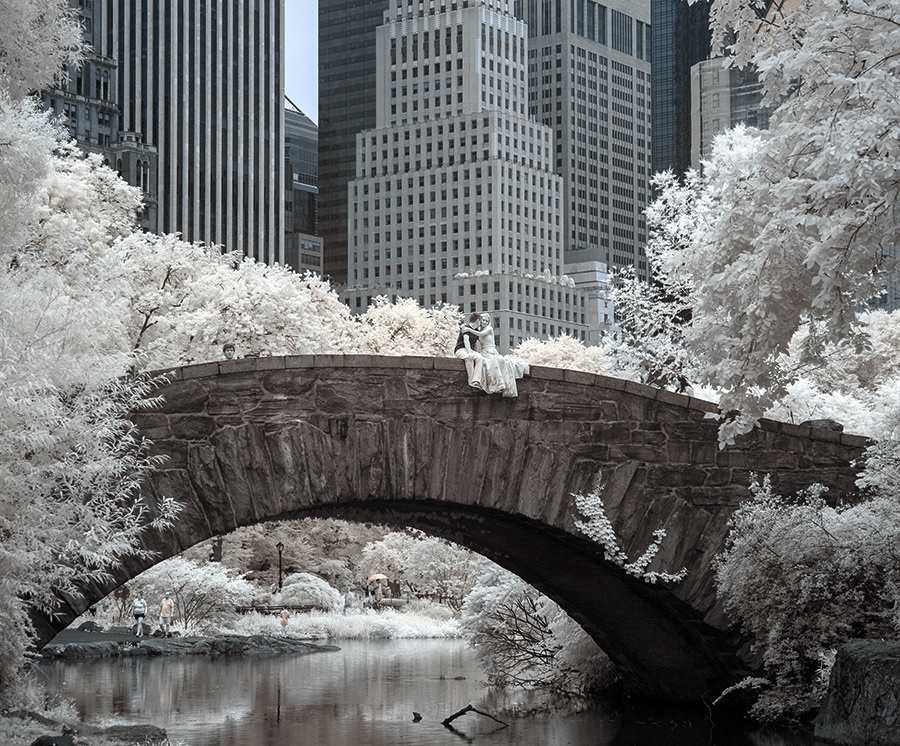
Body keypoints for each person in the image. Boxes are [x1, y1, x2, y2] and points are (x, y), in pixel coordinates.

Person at [460, 313, 529, 397]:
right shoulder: (478, 330)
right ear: (479, 321)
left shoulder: (489, 329)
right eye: (483, 320)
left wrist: (467, 329)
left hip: (491, 350)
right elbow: (472, 339)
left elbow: (480, 335)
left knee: (495, 361)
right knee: (483, 362)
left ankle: (498, 385)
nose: (484, 322)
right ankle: (481, 383)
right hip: (483, 352)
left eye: (486, 321)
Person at [454, 312, 485, 389]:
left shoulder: (476, 330)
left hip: (470, 350)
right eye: (480, 321)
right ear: (477, 320)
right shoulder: (466, 327)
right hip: (461, 349)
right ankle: (471, 382)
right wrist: (470, 352)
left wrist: (474, 352)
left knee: (480, 358)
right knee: (468, 358)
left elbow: (475, 344)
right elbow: (466, 340)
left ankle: (476, 380)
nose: (480, 323)